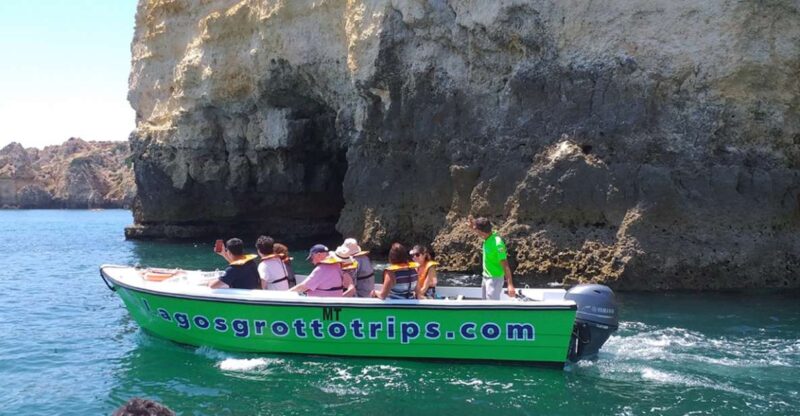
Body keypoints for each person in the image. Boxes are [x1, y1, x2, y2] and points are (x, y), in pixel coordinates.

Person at [468, 217, 516, 299]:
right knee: (485, 306)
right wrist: (472, 226)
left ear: (482, 232)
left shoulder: (497, 244)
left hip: (494, 279)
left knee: (492, 306)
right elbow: (478, 230)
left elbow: (505, 265)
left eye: (477, 230)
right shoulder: (487, 237)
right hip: (485, 277)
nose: (476, 232)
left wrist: (510, 285)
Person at [289, 244, 355, 297]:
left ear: (318, 255)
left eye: (312, 258)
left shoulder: (321, 269)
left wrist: (285, 294)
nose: (312, 262)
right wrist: (339, 301)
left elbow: (302, 287)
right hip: (334, 307)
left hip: (319, 308)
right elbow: (351, 288)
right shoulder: (338, 266)